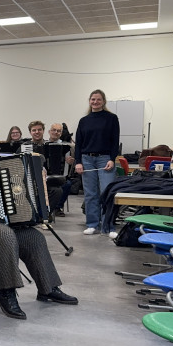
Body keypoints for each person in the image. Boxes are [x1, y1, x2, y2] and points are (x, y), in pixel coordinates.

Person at [0, 120, 77, 319]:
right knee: (5, 235)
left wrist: (37, 175)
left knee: (34, 236)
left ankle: (48, 287)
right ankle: (6, 292)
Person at [75, 89, 120, 237]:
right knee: (90, 194)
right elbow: (79, 144)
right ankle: (92, 224)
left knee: (107, 192)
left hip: (104, 158)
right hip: (87, 159)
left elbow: (115, 141)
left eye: (98, 99)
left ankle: (108, 226)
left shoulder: (112, 118)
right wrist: (78, 162)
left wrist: (112, 159)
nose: (95, 102)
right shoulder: (84, 121)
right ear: (89, 101)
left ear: (103, 101)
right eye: (93, 99)